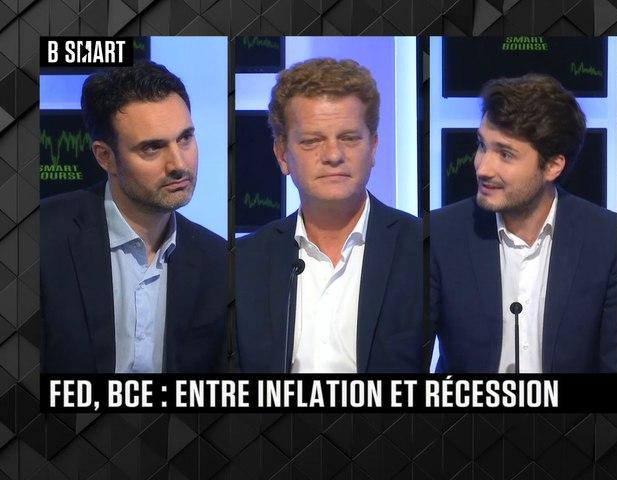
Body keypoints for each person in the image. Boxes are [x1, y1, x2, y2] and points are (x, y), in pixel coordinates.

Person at [236, 58, 423, 373]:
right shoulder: (243, 262)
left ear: (373, 147)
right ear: (282, 155)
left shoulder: (424, 248)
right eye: (312, 141)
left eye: (349, 138)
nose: (334, 155)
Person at [41, 62, 227, 373]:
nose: (179, 164)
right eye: (153, 148)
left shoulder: (219, 260)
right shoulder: (41, 238)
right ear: (105, 157)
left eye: (185, 139)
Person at [430, 74, 617, 373]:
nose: (483, 167)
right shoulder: (438, 235)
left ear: (553, 166)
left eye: (505, 154)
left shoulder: (606, 239)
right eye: (482, 146)